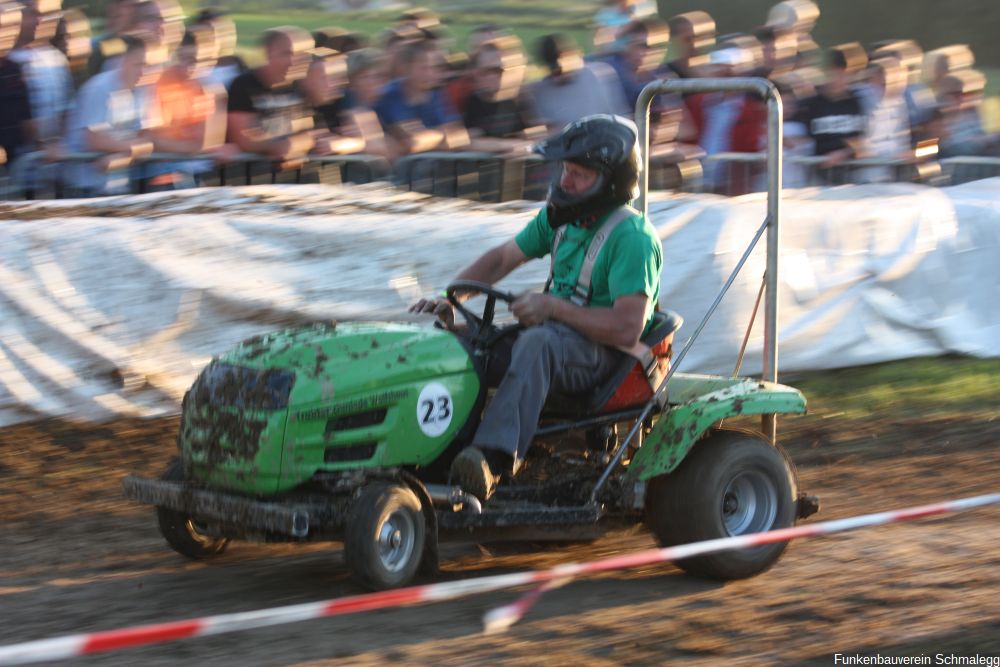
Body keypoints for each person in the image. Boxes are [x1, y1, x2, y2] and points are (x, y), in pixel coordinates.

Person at [409, 115, 662, 502]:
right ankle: (436, 450)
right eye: (565, 169)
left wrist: (552, 308)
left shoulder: (632, 237)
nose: (565, 182)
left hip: (606, 357)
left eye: (579, 174)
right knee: (466, 344)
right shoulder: (562, 219)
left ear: (610, 181)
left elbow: (627, 328)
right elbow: (502, 258)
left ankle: (490, 462)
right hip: (558, 339)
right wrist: (451, 297)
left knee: (537, 344)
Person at [63, 33, 162, 195]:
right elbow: (93, 140)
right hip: (83, 187)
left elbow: (148, 136)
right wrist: (134, 149)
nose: (145, 71)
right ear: (123, 62)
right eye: (139, 64)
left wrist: (124, 155)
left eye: (150, 65)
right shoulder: (100, 88)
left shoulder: (144, 90)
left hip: (117, 185)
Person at [144, 25, 228, 190]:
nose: (187, 67)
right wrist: (188, 145)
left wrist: (163, 142)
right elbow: (151, 137)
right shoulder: (157, 82)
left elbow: (205, 144)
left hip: (194, 174)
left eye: (194, 60)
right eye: (182, 58)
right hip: (158, 173)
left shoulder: (211, 89)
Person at [226, 26, 315, 168]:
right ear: (268, 53)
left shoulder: (299, 87)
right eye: (287, 54)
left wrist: (292, 146)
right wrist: (281, 147)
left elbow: (308, 134)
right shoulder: (244, 85)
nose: (295, 61)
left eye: (302, 55)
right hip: (246, 178)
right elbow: (243, 139)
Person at [373, 38, 468, 156]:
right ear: (406, 68)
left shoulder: (437, 93)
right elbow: (412, 142)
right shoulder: (391, 95)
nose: (430, 74)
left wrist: (436, 137)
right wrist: (444, 135)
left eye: (434, 68)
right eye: (423, 68)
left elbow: (458, 132)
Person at [529, 34, 628, 132]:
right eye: (554, 71)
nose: (558, 76)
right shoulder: (541, 90)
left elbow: (619, 119)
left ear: (576, 54)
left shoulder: (600, 74)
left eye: (561, 69)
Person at [462, 36, 544, 154]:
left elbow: (539, 137)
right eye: (483, 71)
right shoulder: (472, 101)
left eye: (498, 70)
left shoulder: (521, 99)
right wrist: (508, 145)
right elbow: (464, 142)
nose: (490, 76)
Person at [9, 0, 74, 150]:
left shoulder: (55, 59)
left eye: (44, 15)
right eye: (32, 14)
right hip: (19, 157)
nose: (39, 20)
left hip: (56, 157)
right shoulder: (5, 63)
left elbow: (67, 111)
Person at [795, 44, 867, 175]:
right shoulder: (810, 103)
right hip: (816, 180)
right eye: (841, 74)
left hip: (851, 179)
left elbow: (864, 141)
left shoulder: (857, 103)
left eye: (851, 75)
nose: (846, 80)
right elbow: (798, 138)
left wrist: (844, 153)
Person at [0, 1, 31, 166]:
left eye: (14, 26)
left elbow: (26, 118)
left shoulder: (15, 69)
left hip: (15, 165)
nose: (9, 32)